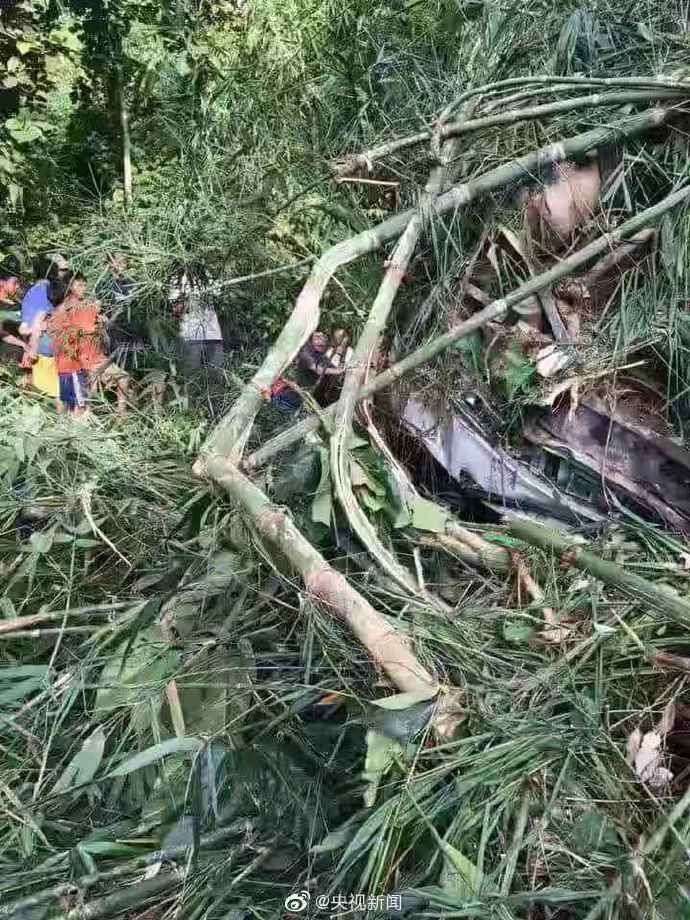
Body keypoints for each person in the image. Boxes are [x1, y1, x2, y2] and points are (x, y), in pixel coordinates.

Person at [48, 273, 107, 415]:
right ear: (69, 288)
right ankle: (77, 425)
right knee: (79, 404)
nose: (84, 289)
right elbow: (87, 330)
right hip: (71, 364)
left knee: (68, 401)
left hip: (65, 363)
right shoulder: (70, 309)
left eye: (84, 285)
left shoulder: (60, 309)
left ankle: (65, 424)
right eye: (80, 285)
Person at [0, 272, 31, 354]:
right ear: (2, 282)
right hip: (8, 349)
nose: (17, 286)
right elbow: (2, 333)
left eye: (18, 283)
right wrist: (22, 344)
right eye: (14, 283)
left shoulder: (16, 302)